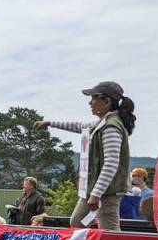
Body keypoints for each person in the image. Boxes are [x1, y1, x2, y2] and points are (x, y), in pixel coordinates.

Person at [36, 81, 135, 230]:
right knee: (80, 222)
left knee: (108, 228)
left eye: (94, 98)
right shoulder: (102, 122)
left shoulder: (111, 127)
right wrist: (50, 123)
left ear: (107, 101)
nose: (90, 102)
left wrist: (96, 194)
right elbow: (80, 127)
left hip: (108, 191)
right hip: (99, 189)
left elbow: (111, 163)